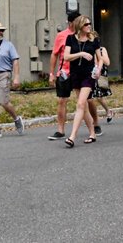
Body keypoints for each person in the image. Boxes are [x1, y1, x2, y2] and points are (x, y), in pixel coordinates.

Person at [63, 15, 103, 148]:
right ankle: (92, 133)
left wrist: (98, 69)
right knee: (84, 107)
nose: (89, 26)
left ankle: (72, 136)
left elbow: (100, 58)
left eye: (90, 24)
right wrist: (81, 54)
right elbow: (66, 57)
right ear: (80, 26)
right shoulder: (70, 39)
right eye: (86, 24)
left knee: (80, 104)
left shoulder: (93, 40)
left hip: (88, 75)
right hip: (75, 75)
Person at [48, 11, 81, 140]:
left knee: (85, 101)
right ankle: (60, 130)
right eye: (78, 21)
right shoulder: (61, 36)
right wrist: (51, 74)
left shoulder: (83, 35)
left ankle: (94, 125)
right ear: (71, 22)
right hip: (64, 73)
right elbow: (54, 54)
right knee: (62, 100)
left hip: (80, 72)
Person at [90, 41, 114, 128]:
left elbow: (107, 62)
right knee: (90, 97)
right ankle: (92, 119)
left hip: (100, 73)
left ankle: (108, 111)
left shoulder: (102, 49)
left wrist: (99, 56)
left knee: (99, 97)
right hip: (90, 73)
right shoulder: (87, 49)